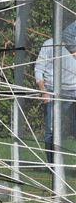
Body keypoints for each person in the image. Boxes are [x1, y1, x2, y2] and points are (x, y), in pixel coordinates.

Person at [34, 24, 76, 164]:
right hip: (53, 92)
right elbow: (39, 69)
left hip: (73, 92)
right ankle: (53, 165)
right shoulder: (49, 44)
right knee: (51, 130)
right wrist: (43, 91)